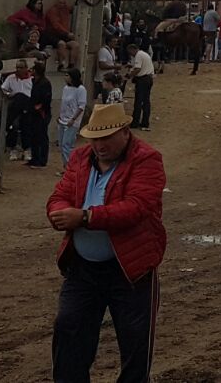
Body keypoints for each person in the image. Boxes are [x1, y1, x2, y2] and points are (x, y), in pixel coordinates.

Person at [46, 102, 166, 383]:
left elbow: (137, 207)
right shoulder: (79, 158)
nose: (99, 145)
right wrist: (59, 213)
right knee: (69, 330)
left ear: (124, 132)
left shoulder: (147, 159)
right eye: (94, 139)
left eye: (106, 138)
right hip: (82, 267)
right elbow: (59, 195)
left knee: (135, 344)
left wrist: (86, 217)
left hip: (130, 269)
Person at [2, 59, 35, 163]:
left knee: (26, 126)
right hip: (14, 105)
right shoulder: (11, 78)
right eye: (17, 67)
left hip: (28, 106)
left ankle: (27, 149)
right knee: (14, 125)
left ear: (26, 68)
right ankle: (13, 148)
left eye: (21, 67)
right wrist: (9, 94)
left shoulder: (32, 79)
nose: (18, 70)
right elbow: (3, 89)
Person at [57, 70, 89, 165]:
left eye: (67, 75)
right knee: (62, 145)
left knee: (67, 145)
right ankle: (66, 166)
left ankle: (71, 167)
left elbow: (81, 106)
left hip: (72, 121)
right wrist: (60, 116)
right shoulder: (66, 88)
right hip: (63, 120)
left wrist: (73, 119)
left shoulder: (81, 89)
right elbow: (63, 103)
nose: (65, 77)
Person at [28, 65, 54, 168]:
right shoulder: (35, 81)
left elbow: (47, 98)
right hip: (34, 112)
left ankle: (42, 160)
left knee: (41, 136)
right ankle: (34, 158)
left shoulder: (45, 83)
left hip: (42, 113)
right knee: (33, 136)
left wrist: (41, 106)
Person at [125, 43, 155, 131]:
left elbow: (138, 69)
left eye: (130, 52)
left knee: (138, 101)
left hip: (143, 80)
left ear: (133, 49)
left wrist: (129, 75)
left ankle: (135, 122)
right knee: (146, 101)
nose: (130, 54)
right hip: (148, 78)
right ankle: (145, 122)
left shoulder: (138, 55)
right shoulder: (143, 54)